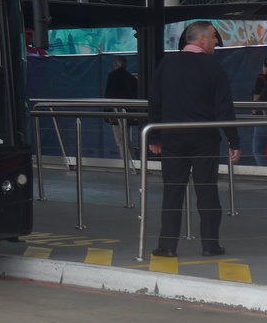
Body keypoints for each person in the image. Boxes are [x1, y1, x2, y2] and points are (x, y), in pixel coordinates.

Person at [148, 21, 240, 257]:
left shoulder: (166, 64)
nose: (217, 41)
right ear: (201, 40)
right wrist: (234, 141)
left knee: (172, 192)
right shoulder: (213, 67)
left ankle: (167, 246)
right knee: (207, 191)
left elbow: (155, 101)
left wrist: (154, 135)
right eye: (213, 37)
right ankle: (210, 245)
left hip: (172, 137)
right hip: (204, 138)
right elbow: (224, 107)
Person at [104, 56, 139, 162]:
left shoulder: (112, 76)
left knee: (120, 140)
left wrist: (106, 114)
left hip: (115, 112)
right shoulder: (131, 78)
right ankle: (132, 161)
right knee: (126, 138)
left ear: (115, 65)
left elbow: (108, 95)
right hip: (127, 112)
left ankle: (127, 163)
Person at [250, 57, 267, 166]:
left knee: (257, 149)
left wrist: (253, 111)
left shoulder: (261, 78)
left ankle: (264, 173)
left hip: (263, 117)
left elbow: (256, 98)